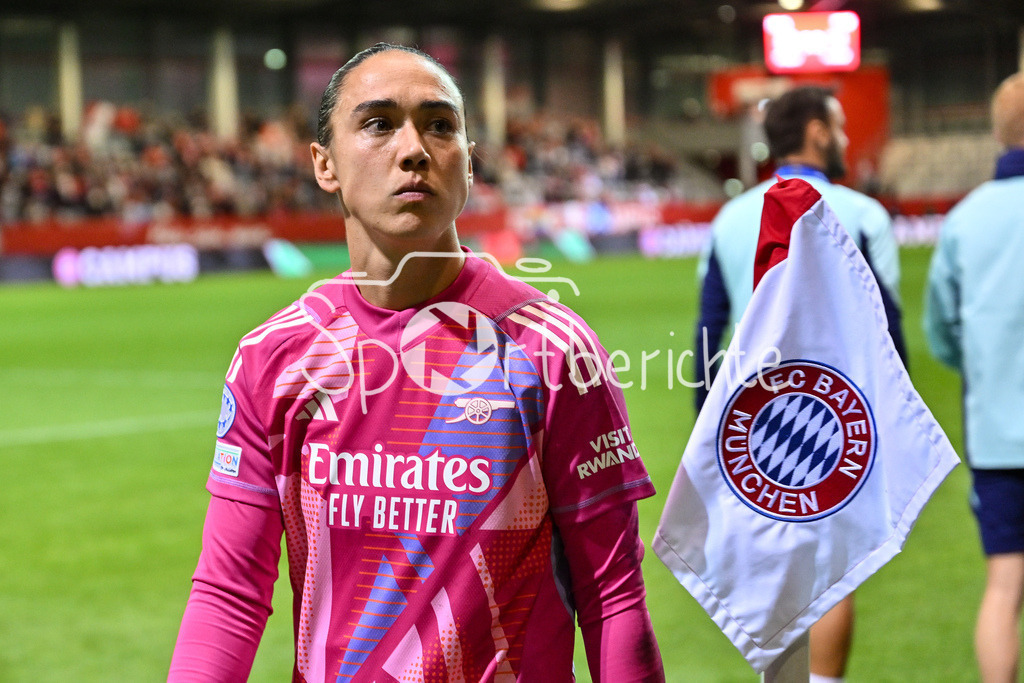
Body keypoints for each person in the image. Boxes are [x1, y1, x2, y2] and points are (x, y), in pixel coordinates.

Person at [169, 43, 665, 683]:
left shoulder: (552, 349)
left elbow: (613, 595)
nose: (414, 150)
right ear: (326, 165)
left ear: (467, 162)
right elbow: (229, 594)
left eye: (440, 125)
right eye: (378, 124)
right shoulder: (276, 356)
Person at [692, 85, 907, 683]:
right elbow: (887, 333)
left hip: (749, 423)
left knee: (777, 573)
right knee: (831, 573)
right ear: (816, 131)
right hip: (835, 419)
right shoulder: (862, 214)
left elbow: (709, 332)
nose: (842, 140)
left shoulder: (730, 217)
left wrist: (704, 434)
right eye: (837, 128)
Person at [924, 71, 1024, 683]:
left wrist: (984, 367)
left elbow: (940, 330)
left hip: (998, 433)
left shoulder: (965, 219)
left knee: (1004, 583)